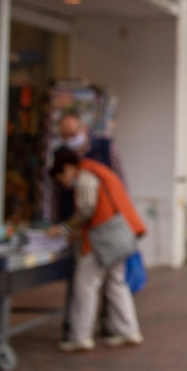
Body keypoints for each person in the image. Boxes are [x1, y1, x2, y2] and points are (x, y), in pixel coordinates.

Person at [47, 149, 145, 353]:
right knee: (116, 283)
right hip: (118, 235)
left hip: (99, 239)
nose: (65, 184)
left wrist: (65, 228)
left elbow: (86, 209)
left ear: (67, 169)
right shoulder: (99, 170)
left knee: (85, 286)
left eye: (61, 178)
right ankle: (128, 330)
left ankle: (80, 336)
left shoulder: (85, 175)